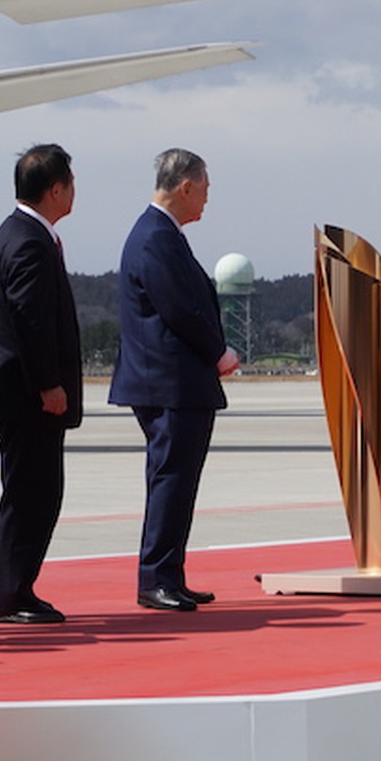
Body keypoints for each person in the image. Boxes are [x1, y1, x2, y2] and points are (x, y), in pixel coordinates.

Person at [108, 149, 240, 612]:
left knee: (177, 482)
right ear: (185, 187)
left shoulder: (161, 234)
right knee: (171, 480)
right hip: (169, 384)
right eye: (204, 190)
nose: (206, 200)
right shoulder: (155, 238)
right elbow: (180, 309)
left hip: (171, 383)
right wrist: (219, 353)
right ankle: (156, 578)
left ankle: (168, 574)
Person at [0, 145, 83, 622]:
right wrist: (48, 384)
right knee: (34, 493)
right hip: (26, 395)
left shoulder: (18, 233)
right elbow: (30, 320)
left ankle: (4, 581)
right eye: (71, 184)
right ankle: (11, 593)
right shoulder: (28, 241)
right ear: (55, 188)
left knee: (25, 489)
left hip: (16, 392)